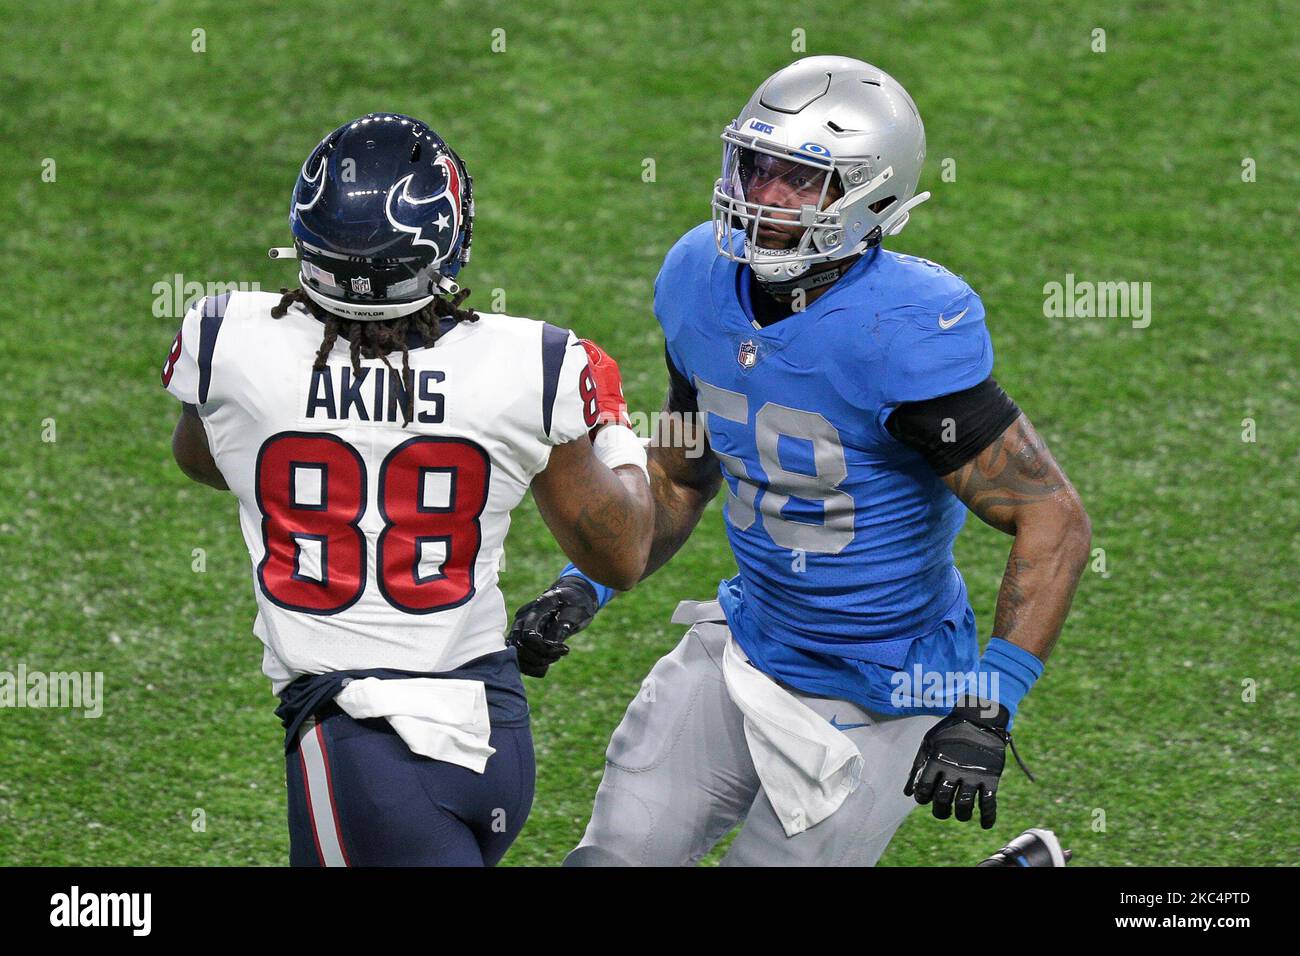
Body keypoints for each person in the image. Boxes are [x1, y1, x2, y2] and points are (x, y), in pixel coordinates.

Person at [509, 57, 1091, 866]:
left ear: (873, 195)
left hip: (883, 684)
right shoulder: (696, 280)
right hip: (748, 640)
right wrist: (590, 581)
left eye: (802, 179)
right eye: (758, 166)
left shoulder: (903, 330)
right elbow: (681, 474)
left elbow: (1050, 516)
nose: (765, 196)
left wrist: (990, 707)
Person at [163, 112, 652, 866]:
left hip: (363, 747)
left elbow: (204, 458)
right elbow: (621, 554)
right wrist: (611, 424)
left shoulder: (227, 336)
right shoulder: (534, 363)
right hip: (492, 727)